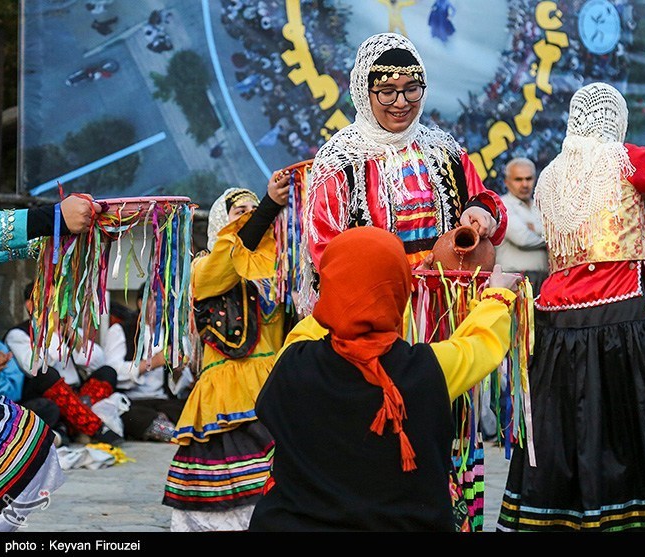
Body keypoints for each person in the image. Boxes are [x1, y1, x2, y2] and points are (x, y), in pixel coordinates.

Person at [497, 82, 645, 532]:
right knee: (629, 428)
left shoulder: (552, 174)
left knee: (564, 432)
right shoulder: (624, 158)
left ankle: (559, 520)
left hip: (555, 324)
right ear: (615, 119)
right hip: (616, 319)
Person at [248, 226, 519, 531]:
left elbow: (322, 319)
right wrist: (497, 296)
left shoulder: (294, 362)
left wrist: (346, 291)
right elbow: (480, 345)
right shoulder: (428, 370)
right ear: (400, 291)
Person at [301, 32, 507, 286]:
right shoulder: (341, 161)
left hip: (449, 310)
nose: (401, 103)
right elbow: (325, 249)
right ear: (365, 93)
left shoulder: (444, 151)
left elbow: (487, 203)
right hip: (379, 310)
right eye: (387, 92)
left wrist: (480, 211)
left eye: (411, 90)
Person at [162, 172, 289, 532]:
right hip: (229, 397)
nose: (250, 216)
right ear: (221, 220)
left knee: (282, 496)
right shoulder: (204, 268)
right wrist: (266, 208)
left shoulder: (280, 268)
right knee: (227, 509)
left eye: (256, 209)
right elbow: (233, 254)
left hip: (277, 390)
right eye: (240, 211)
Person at [0, 194, 101, 531]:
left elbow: (11, 246)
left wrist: (64, 230)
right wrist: (53, 217)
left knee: (30, 440)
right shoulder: (19, 333)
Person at [6, 281, 124, 447]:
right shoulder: (18, 334)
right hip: (46, 395)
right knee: (46, 373)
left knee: (108, 372)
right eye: (48, 300)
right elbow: (33, 366)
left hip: (77, 398)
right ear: (31, 305)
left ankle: (72, 425)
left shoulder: (67, 331)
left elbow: (97, 360)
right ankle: (95, 428)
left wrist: (70, 334)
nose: (54, 306)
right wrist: (45, 334)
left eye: (57, 301)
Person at [103, 283, 194, 442]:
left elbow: (181, 384)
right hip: (132, 400)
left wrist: (178, 371)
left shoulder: (174, 335)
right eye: (156, 300)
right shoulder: (121, 330)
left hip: (162, 400)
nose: (161, 305)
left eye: (165, 301)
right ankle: (173, 431)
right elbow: (112, 371)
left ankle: (167, 428)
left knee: (190, 406)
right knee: (131, 416)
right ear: (141, 302)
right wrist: (151, 363)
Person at [494, 157, 548, 292]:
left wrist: (534, 228)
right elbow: (522, 238)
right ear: (506, 182)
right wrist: (551, 239)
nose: (525, 184)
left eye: (529, 179)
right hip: (513, 279)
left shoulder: (541, 206)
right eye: (518, 179)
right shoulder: (502, 205)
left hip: (544, 279)